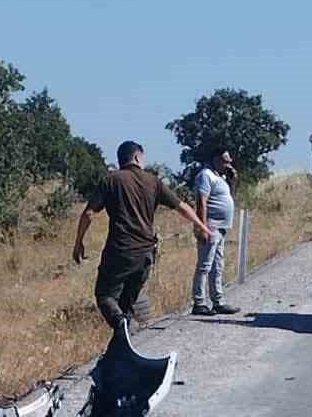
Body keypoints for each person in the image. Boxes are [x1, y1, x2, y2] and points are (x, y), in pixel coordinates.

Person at [73, 140, 210, 333]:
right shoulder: (153, 181)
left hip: (120, 251)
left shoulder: (111, 180)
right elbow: (182, 207)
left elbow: (88, 213)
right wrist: (202, 226)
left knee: (105, 296)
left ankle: (121, 326)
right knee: (126, 305)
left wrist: (79, 243)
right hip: (146, 254)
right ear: (137, 157)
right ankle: (120, 351)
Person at [191, 147, 241, 316]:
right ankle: (199, 303)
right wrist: (202, 226)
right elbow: (201, 201)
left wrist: (233, 181)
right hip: (211, 225)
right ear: (216, 159)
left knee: (217, 265)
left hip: (221, 227)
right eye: (226, 161)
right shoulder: (206, 175)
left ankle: (218, 301)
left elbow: (230, 198)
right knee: (205, 265)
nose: (229, 164)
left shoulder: (221, 177)